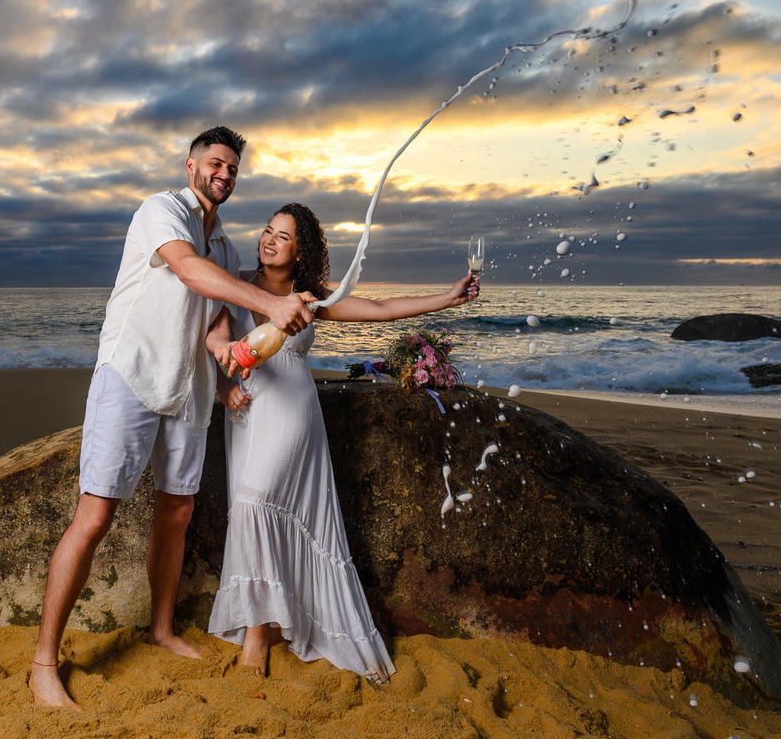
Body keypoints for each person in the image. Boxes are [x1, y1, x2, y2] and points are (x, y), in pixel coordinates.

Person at [30, 128, 315, 711]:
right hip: (131, 374)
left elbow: (214, 316)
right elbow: (187, 271)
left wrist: (224, 353)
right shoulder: (160, 210)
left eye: (233, 169)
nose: (224, 175)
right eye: (215, 163)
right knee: (95, 515)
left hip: (189, 388)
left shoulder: (230, 248)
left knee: (178, 511)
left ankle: (160, 629)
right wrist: (270, 304)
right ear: (191, 165)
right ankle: (43, 663)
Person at [205, 202, 478, 681]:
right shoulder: (235, 281)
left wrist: (447, 298)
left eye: (283, 236)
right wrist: (225, 386)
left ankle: (254, 637)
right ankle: (266, 621)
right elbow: (212, 336)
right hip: (244, 413)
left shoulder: (310, 297)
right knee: (246, 509)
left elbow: (380, 310)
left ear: (300, 249)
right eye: (268, 231)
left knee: (255, 502)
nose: (269, 240)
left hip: (291, 411)